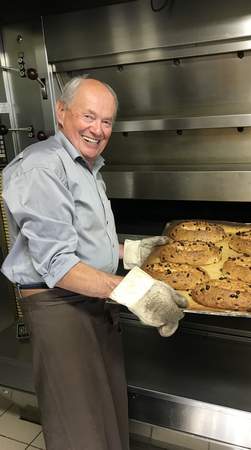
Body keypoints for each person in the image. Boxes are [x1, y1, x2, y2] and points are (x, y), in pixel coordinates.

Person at [1, 77, 187, 450]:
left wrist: (130, 252)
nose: (97, 129)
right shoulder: (41, 168)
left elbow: (84, 241)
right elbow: (58, 264)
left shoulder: (87, 167)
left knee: (105, 409)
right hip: (59, 309)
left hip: (92, 301)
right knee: (78, 423)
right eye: (89, 116)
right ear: (61, 111)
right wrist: (137, 293)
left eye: (106, 121)